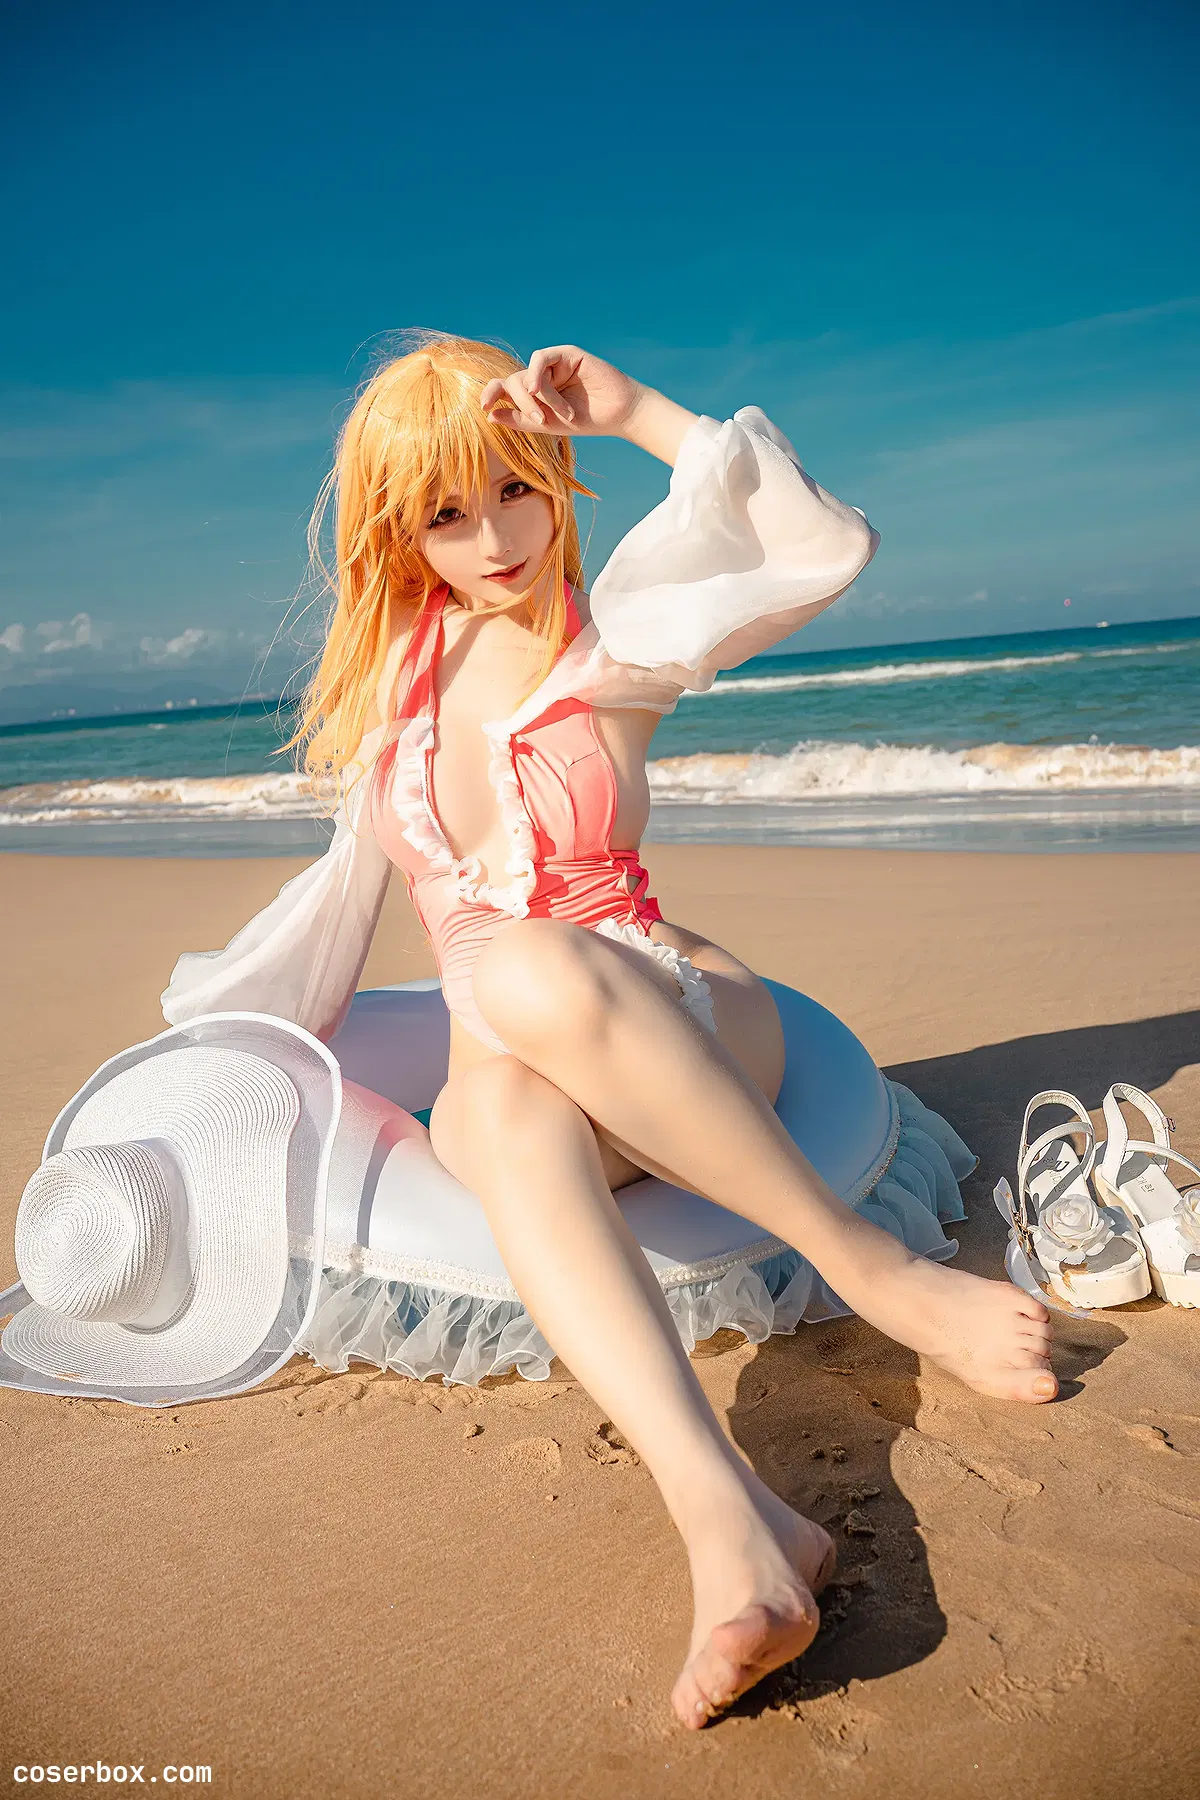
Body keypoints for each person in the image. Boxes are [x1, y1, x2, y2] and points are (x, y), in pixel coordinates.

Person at [168, 335, 1056, 1728]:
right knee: (487, 1107)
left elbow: (815, 545)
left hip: (672, 1005)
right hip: (519, 1061)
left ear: (552, 478)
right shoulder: (393, 682)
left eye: (516, 488)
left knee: (520, 967)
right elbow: (339, 908)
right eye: (447, 512)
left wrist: (635, 412)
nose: (495, 538)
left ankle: (873, 1267)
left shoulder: (618, 629)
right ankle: (736, 1528)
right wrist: (239, 1047)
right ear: (397, 533)